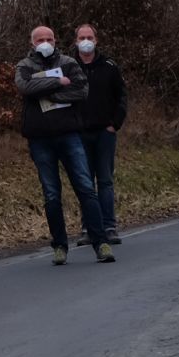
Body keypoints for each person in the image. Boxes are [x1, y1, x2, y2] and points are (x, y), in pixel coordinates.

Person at [15, 25, 115, 265]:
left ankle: (100, 241)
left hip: (69, 135)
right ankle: (59, 245)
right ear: (32, 43)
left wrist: (50, 94)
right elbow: (25, 87)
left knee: (85, 188)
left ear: (55, 39)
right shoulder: (24, 66)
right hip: (40, 139)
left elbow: (81, 90)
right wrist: (58, 82)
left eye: (49, 38)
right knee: (51, 194)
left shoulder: (69, 62)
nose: (45, 42)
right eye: (40, 39)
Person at [72, 24, 127, 246]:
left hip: (105, 132)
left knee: (104, 181)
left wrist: (115, 124)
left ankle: (109, 227)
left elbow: (121, 96)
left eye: (89, 37)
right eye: (82, 37)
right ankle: (88, 229)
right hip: (78, 134)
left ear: (96, 40)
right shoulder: (69, 66)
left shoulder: (109, 66)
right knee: (85, 183)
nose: (86, 40)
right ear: (75, 41)